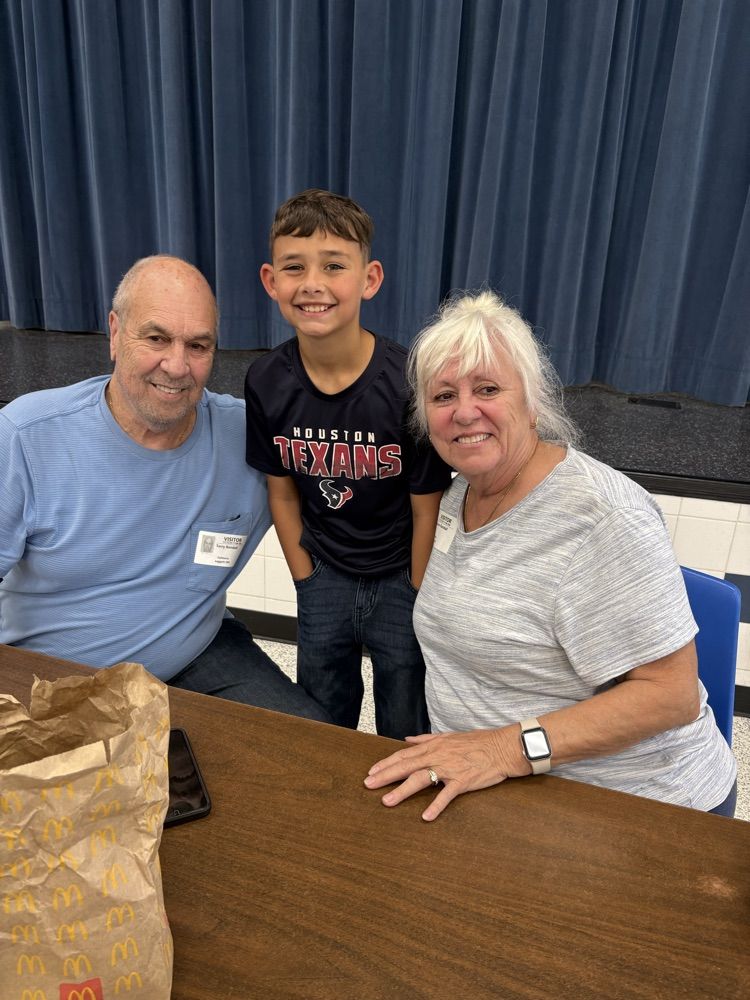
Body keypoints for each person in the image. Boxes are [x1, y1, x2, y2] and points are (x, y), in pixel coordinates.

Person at [364, 289, 737, 818]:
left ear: (532, 401)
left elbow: (669, 695)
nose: (464, 411)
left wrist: (501, 748)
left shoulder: (602, 518)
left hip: (632, 802)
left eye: (488, 388)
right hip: (485, 781)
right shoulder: (458, 495)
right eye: (443, 396)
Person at [0, 255, 330, 723]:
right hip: (55, 678)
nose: (177, 366)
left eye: (198, 345)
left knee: (312, 749)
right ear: (115, 333)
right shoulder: (26, 437)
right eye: (156, 338)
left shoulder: (250, 437)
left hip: (195, 654)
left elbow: (353, 435)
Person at [244, 189, 452, 739]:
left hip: (398, 580)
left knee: (406, 720)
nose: (313, 283)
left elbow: (427, 506)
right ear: (271, 281)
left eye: (334, 265)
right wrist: (304, 577)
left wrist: (415, 586)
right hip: (325, 575)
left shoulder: (408, 382)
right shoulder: (266, 381)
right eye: (295, 267)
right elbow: (282, 490)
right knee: (322, 719)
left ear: (369, 279)